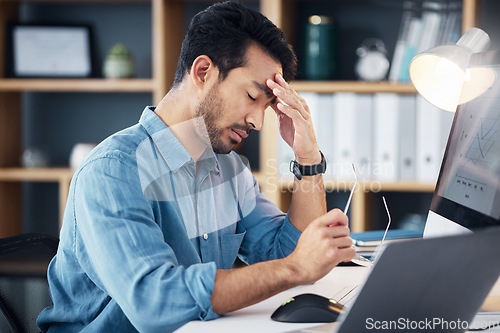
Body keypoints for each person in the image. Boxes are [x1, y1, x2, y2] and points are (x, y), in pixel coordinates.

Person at [37, 2, 355, 332]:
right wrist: (293, 268)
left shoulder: (229, 169)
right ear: (203, 72)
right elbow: (155, 302)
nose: (258, 122)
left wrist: (308, 159)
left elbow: (285, 251)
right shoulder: (112, 171)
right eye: (251, 96)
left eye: (268, 106)